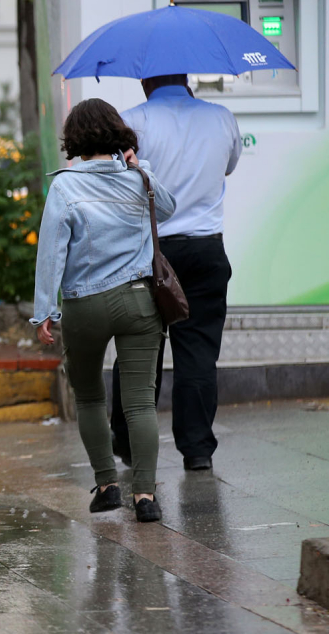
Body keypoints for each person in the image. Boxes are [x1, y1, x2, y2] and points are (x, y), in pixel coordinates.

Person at [31, 98, 176, 523]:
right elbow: (167, 208)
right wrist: (139, 166)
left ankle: (108, 485)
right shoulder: (137, 179)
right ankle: (145, 497)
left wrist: (45, 311)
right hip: (137, 301)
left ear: (74, 140)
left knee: (91, 395)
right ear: (118, 134)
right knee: (139, 403)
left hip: (85, 303)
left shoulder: (65, 186)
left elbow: (50, 252)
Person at [110, 74, 240, 473]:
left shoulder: (132, 121)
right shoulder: (221, 117)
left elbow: (119, 181)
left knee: (139, 349)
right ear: (187, 80)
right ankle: (197, 450)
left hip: (151, 250)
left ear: (147, 80)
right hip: (206, 249)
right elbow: (230, 166)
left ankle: (131, 444)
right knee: (198, 352)